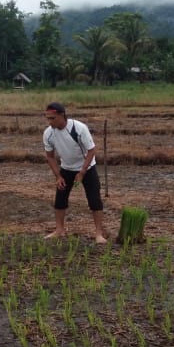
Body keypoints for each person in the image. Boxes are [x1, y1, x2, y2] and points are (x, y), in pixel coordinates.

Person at [42, 102, 107, 243]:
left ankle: (99, 234)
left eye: (52, 118)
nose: (49, 122)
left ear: (62, 115)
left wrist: (82, 172)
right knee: (60, 199)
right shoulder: (48, 134)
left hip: (87, 168)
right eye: (48, 118)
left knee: (94, 200)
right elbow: (50, 157)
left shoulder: (78, 128)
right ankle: (59, 230)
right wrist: (58, 176)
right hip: (66, 169)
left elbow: (91, 150)